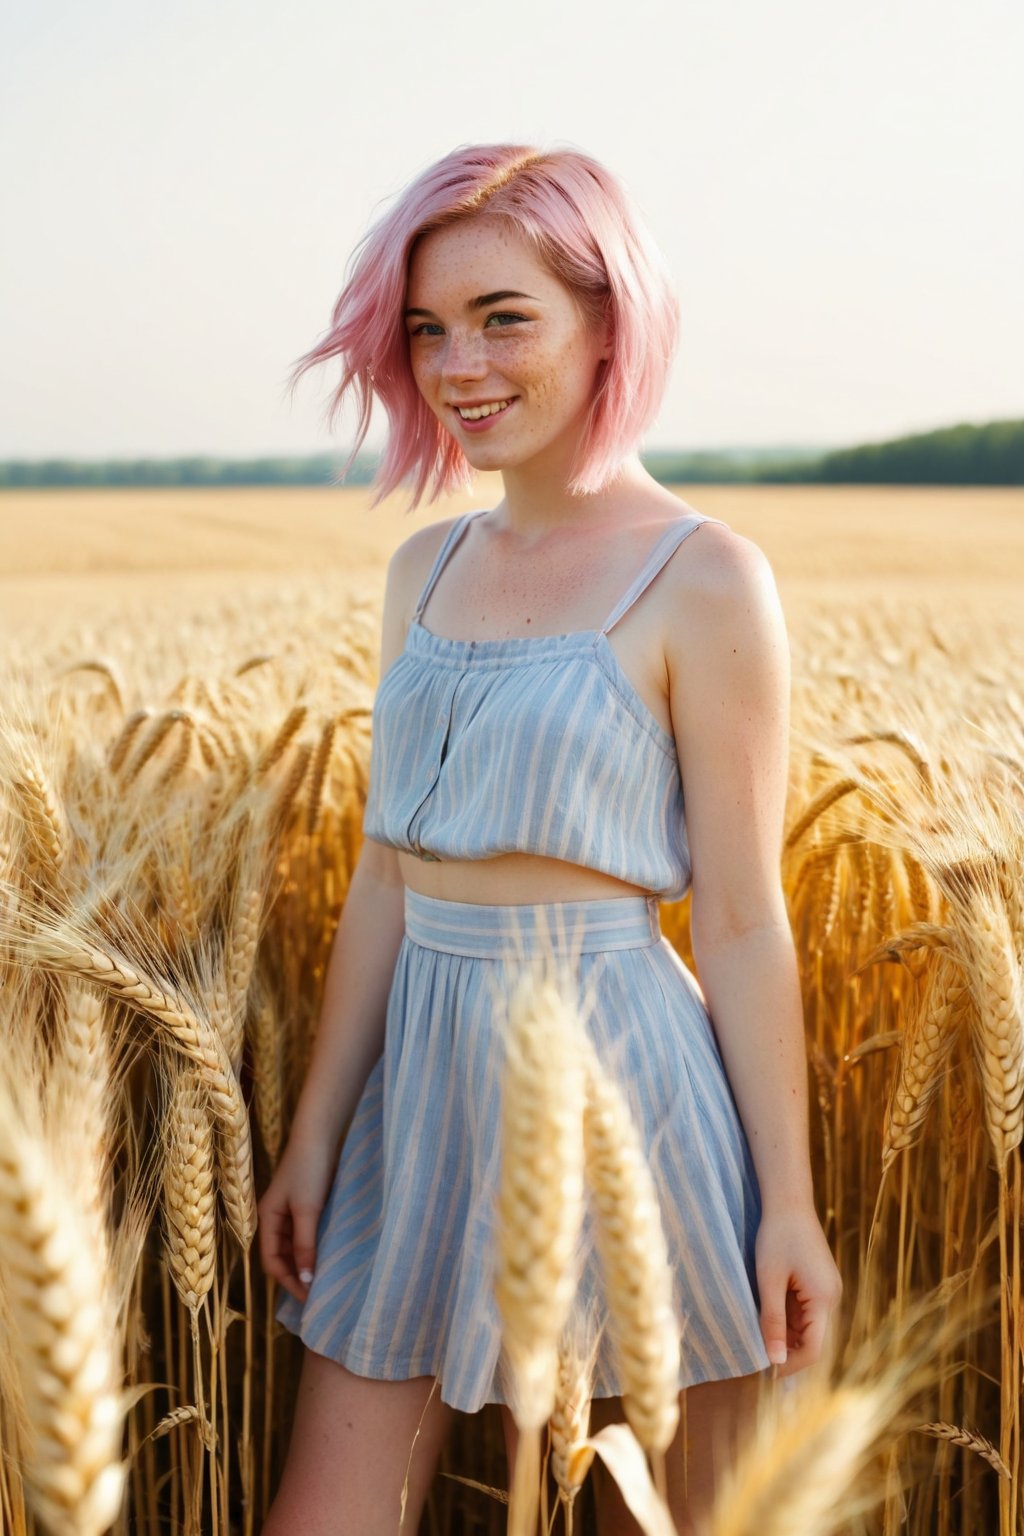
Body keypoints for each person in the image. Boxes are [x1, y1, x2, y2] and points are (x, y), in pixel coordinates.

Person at [257, 141, 843, 1536]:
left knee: (704, 1521)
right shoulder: (426, 567)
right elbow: (391, 870)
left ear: (607, 316)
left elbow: (748, 920)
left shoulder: (703, 577)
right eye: (427, 329)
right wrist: (317, 1133)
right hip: (425, 1087)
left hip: (635, 1090)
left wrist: (790, 1203)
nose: (459, 364)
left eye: (504, 317)